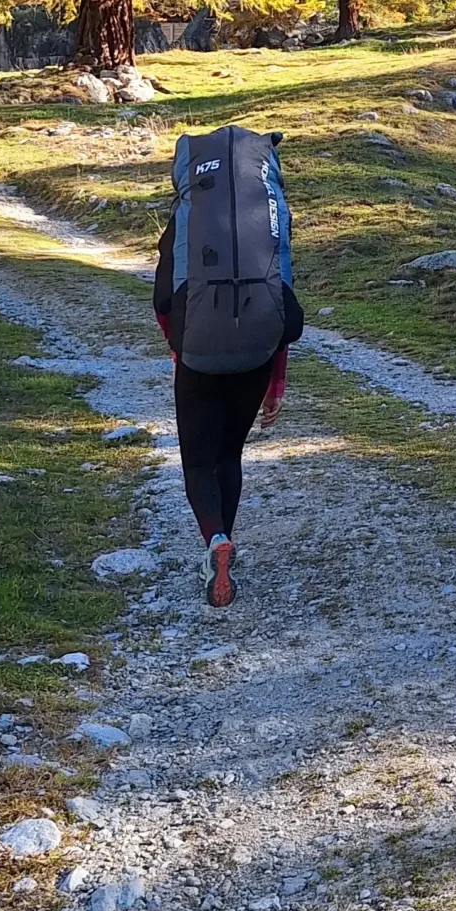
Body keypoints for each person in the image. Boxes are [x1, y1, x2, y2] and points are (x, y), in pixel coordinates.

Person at [154, 125, 304, 608]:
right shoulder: (271, 211)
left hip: (197, 354)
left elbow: (162, 297)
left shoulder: (188, 215)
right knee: (229, 457)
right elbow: (282, 300)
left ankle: (215, 542)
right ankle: (226, 545)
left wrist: (178, 344)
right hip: (257, 355)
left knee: (198, 461)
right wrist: (276, 381)